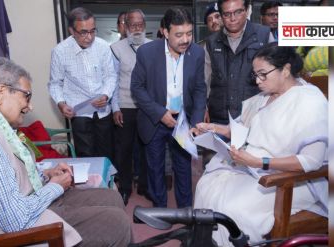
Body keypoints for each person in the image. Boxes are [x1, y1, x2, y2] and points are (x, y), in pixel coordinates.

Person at [0, 57, 131, 246]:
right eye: (27, 96)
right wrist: (56, 186)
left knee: (112, 197)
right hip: (29, 223)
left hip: (35, 202)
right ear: (1, 92)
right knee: (117, 223)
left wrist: (46, 175)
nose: (30, 106)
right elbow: (13, 220)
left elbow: (14, 176)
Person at [193, 45, 328, 246]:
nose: (257, 81)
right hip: (253, 169)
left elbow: (311, 161)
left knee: (232, 206)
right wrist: (213, 128)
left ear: (285, 69)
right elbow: (241, 129)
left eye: (263, 74)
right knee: (207, 187)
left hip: (289, 179)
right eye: (255, 75)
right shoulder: (264, 97)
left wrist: (258, 162)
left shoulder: (310, 101)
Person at [131, 6, 207, 208]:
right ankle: (160, 210)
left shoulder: (197, 53)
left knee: (183, 168)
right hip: (154, 120)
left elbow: (200, 88)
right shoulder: (147, 52)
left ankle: (185, 211)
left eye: (189, 33)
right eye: (179, 34)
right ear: (165, 32)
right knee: (155, 168)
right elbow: (137, 88)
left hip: (183, 121)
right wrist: (160, 112)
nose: (185, 40)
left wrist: (197, 120)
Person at [48, 7, 116, 161]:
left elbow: (110, 76)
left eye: (93, 31)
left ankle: (107, 185)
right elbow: (55, 84)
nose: (89, 37)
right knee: (85, 156)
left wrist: (105, 94)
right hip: (79, 113)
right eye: (84, 32)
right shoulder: (60, 51)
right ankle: (89, 186)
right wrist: (61, 103)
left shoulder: (103, 46)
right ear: (72, 30)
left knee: (107, 154)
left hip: (103, 111)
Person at [206, 0, 272, 125]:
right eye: (227, 14)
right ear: (221, 15)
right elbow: (205, 80)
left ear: (247, 11)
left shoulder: (264, 36)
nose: (233, 18)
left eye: (238, 12)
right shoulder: (212, 42)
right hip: (220, 119)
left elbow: (276, 78)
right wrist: (203, 107)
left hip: (254, 119)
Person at [110, 9, 152, 205]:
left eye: (140, 25)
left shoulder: (154, 47)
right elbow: (113, 80)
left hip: (147, 107)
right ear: (125, 27)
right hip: (125, 106)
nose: (136, 29)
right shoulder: (115, 49)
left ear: (145, 26)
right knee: (124, 150)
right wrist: (115, 108)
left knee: (147, 149)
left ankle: (145, 186)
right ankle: (125, 188)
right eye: (132, 25)